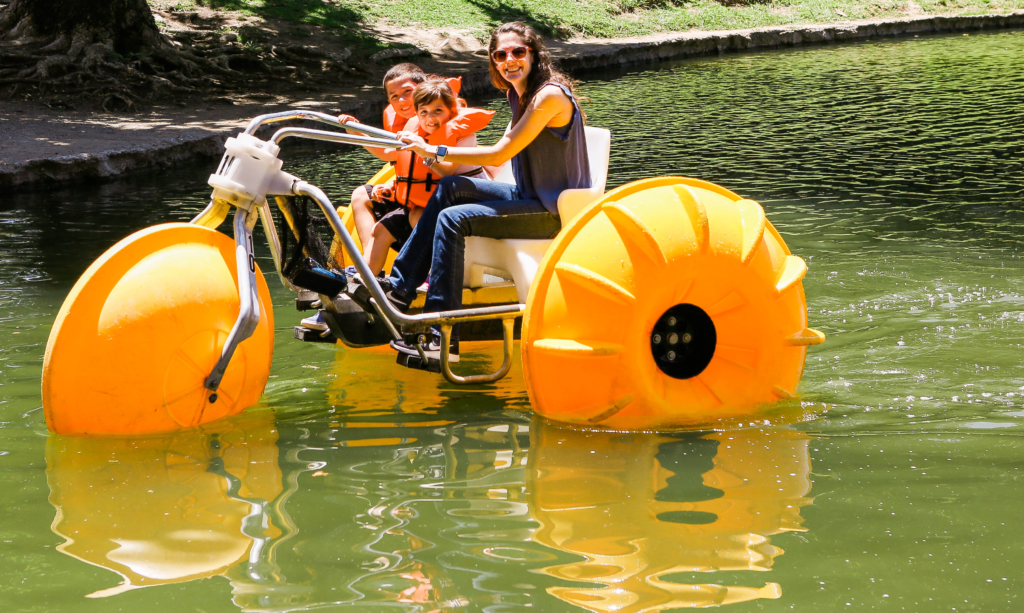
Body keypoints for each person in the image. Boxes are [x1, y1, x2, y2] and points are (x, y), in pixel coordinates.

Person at [373, 21, 591, 362]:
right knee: (450, 187)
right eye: (501, 54)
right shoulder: (518, 94)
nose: (510, 60)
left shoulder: (548, 95)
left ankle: (440, 339)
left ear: (534, 54)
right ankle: (399, 291)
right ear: (493, 60)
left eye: (518, 52)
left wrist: (433, 150)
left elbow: (498, 154)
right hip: (527, 197)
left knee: (453, 219)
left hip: (552, 212)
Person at [361, 78, 496, 278]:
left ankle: (433, 274)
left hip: (469, 199)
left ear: (451, 110)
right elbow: (390, 155)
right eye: (423, 112)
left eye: (437, 111)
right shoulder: (416, 131)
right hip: (434, 202)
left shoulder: (463, 135)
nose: (430, 118)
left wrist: (423, 150)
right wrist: (358, 132)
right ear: (417, 114)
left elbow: (447, 172)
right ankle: (365, 283)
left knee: (417, 216)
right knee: (381, 229)